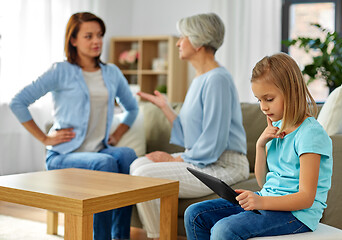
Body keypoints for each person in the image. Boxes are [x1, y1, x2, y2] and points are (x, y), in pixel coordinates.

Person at [9, 12, 138, 240]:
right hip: (63, 156)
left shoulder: (112, 73)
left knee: (127, 155)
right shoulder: (61, 71)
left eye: (99, 35)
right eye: (88, 36)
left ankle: (121, 236)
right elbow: (18, 102)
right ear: (73, 40)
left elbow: (132, 108)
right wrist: (45, 139)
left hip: (98, 150)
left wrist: (118, 134)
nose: (96, 41)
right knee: (106, 162)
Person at [184, 52, 333, 240]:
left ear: (293, 91)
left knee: (224, 230)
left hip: (297, 215)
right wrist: (260, 145)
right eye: (259, 100)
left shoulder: (310, 134)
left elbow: (306, 198)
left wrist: (261, 201)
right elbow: (263, 183)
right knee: (195, 214)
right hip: (269, 201)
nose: (263, 107)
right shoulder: (277, 128)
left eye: (269, 99)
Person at [130, 13, 249, 239]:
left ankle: (159, 236)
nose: (177, 42)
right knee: (138, 165)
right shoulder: (199, 79)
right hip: (204, 159)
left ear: (198, 41)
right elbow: (191, 137)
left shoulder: (217, 79)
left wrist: (175, 159)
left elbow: (214, 141)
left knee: (144, 175)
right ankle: (160, 234)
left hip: (224, 164)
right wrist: (165, 107)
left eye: (183, 36)